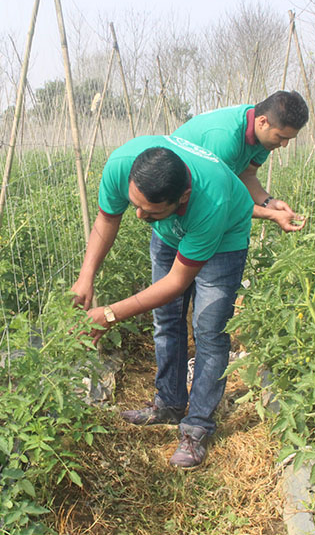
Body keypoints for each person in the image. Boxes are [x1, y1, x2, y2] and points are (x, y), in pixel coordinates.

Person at [71, 135, 253, 469]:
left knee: (209, 331)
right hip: (172, 231)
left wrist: (110, 314)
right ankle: (168, 404)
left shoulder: (208, 201)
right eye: (135, 204)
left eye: (150, 211)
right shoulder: (121, 165)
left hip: (224, 235)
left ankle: (197, 426)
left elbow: (176, 283)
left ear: (182, 197)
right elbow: (108, 218)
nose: (138, 216)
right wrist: (86, 277)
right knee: (166, 319)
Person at [172, 90, 310, 232]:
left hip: (200, 195)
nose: (284, 144)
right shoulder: (226, 139)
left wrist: (268, 202)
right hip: (173, 193)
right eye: (281, 137)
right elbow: (220, 199)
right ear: (263, 122)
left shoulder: (264, 137)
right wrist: (272, 215)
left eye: (289, 139)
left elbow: (247, 175)